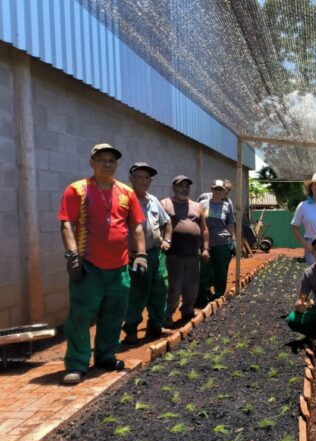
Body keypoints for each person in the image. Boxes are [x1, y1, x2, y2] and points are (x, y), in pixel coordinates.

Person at [57, 143, 146, 385]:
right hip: (88, 267)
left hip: (119, 268)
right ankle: (77, 363)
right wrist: (72, 255)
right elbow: (66, 223)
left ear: (117, 164)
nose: (107, 164)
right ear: (91, 162)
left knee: (114, 315)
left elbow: (137, 225)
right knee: (80, 316)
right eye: (102, 159)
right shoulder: (77, 190)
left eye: (112, 160)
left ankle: (106, 355)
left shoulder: (127, 193)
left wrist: (141, 255)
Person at [122, 163, 172, 345]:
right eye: (140, 177)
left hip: (156, 254)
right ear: (131, 179)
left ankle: (156, 326)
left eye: (147, 178)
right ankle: (131, 330)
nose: (144, 181)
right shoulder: (125, 200)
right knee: (137, 293)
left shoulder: (154, 200)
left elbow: (167, 222)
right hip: (135, 255)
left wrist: (167, 240)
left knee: (160, 289)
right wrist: (126, 252)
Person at [161, 176, 209, 327]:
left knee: (192, 287)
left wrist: (206, 248)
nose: (184, 189)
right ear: (174, 187)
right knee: (174, 287)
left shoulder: (197, 206)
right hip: (173, 255)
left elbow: (204, 229)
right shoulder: (165, 203)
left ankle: (187, 310)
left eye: (187, 186)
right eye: (181, 186)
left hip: (194, 254)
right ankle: (167, 315)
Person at [197, 179, 236, 305]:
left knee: (221, 269)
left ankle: (219, 293)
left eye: (221, 190)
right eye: (216, 189)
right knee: (204, 269)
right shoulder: (203, 202)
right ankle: (202, 294)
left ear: (224, 191)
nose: (218, 192)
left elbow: (230, 223)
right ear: (212, 189)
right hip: (205, 242)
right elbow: (196, 219)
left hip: (222, 242)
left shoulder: (227, 205)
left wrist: (233, 239)